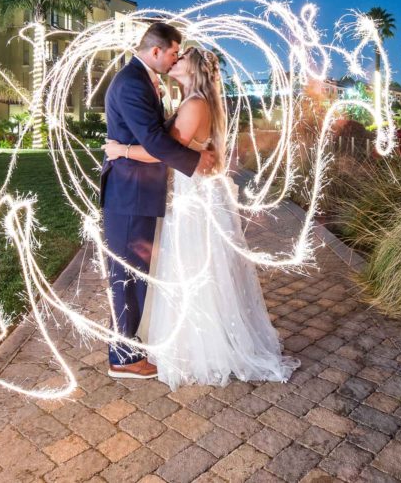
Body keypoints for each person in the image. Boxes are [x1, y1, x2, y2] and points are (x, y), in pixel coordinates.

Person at [104, 46, 298, 389]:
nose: (172, 62)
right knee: (197, 268)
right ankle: (198, 338)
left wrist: (119, 150)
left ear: (192, 70)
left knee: (194, 266)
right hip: (196, 191)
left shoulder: (194, 104)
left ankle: (201, 347)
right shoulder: (194, 101)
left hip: (195, 196)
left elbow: (159, 152)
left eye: (179, 60)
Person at [99, 22, 217, 379]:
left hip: (136, 190)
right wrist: (196, 161)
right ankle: (122, 356)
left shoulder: (142, 79)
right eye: (172, 53)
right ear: (155, 51)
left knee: (134, 273)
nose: (175, 59)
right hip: (130, 192)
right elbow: (153, 140)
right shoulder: (133, 82)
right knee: (127, 274)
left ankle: (127, 346)